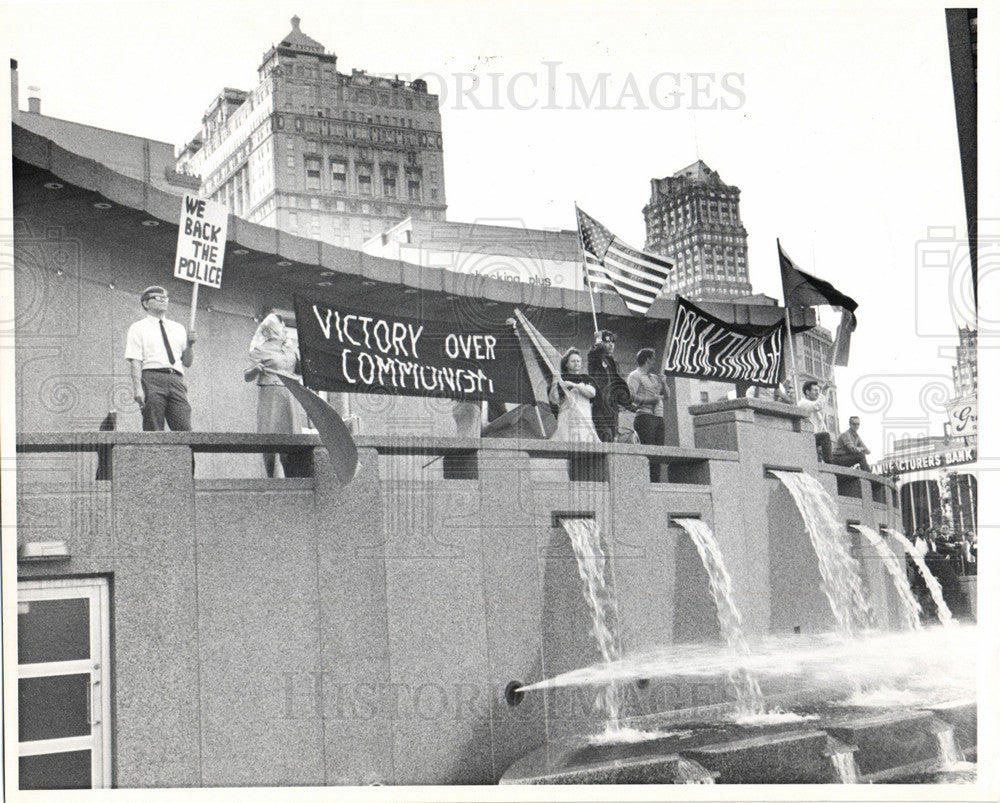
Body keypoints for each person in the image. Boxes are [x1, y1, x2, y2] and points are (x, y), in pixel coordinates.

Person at [244, 313, 312, 477]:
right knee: (271, 435)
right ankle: (271, 474)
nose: (285, 330)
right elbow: (247, 375)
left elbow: (300, 371)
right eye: (282, 326)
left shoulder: (289, 349)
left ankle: (294, 475)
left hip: (289, 394)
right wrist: (256, 369)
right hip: (271, 394)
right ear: (274, 328)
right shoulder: (260, 350)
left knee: (292, 436)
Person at [125, 285, 196, 431]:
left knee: (184, 427)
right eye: (158, 298)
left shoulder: (178, 328)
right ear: (146, 303)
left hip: (176, 379)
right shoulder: (138, 328)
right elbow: (135, 360)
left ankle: (184, 454)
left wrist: (190, 345)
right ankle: (153, 454)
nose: (164, 301)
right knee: (154, 426)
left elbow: (187, 362)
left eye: (166, 298)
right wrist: (138, 388)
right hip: (152, 378)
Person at [587, 329, 631, 443]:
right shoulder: (595, 359)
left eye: (612, 342)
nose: (611, 344)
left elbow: (619, 384)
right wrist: (597, 341)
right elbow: (594, 352)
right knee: (606, 436)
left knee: (613, 439)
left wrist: (624, 402)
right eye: (607, 342)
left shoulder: (614, 363)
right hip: (600, 405)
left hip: (613, 407)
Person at [548, 348, 599, 443]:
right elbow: (554, 400)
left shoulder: (586, 378)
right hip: (567, 418)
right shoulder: (561, 379)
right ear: (566, 364)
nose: (576, 363)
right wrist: (555, 382)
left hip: (584, 417)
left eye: (578, 361)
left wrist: (574, 385)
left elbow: (591, 393)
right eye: (573, 361)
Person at [797, 380, 833, 462]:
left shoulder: (813, 408)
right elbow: (818, 405)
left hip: (813, 437)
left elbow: (821, 425)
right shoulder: (803, 403)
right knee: (825, 436)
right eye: (815, 390)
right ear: (807, 392)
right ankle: (829, 463)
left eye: (819, 390)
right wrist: (824, 390)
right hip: (806, 436)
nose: (818, 393)